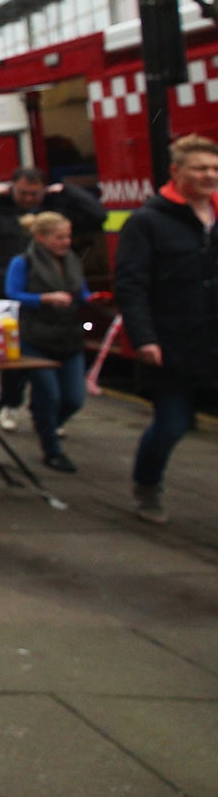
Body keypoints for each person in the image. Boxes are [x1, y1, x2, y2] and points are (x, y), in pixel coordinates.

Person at [113, 133, 218, 524]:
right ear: (177, 172)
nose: (209, 176)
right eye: (200, 168)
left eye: (214, 169)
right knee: (171, 425)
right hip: (175, 343)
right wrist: (144, 338)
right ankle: (147, 485)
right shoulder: (148, 222)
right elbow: (131, 285)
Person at [0, 166, 106, 430]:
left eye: (34, 193)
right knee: (13, 355)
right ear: (12, 187)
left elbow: (97, 215)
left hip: (50, 292)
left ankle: (44, 411)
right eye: (23, 193)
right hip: (9, 295)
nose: (28, 199)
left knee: (46, 355)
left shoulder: (54, 208)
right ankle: (11, 403)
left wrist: (67, 189)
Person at [3, 211, 89, 473]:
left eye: (68, 236)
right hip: (35, 338)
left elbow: (81, 292)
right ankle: (51, 450)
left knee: (74, 398)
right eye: (59, 237)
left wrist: (93, 298)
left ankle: (46, 424)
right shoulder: (23, 262)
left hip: (70, 337)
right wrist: (44, 299)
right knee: (49, 395)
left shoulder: (73, 260)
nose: (66, 242)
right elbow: (12, 293)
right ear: (40, 238)